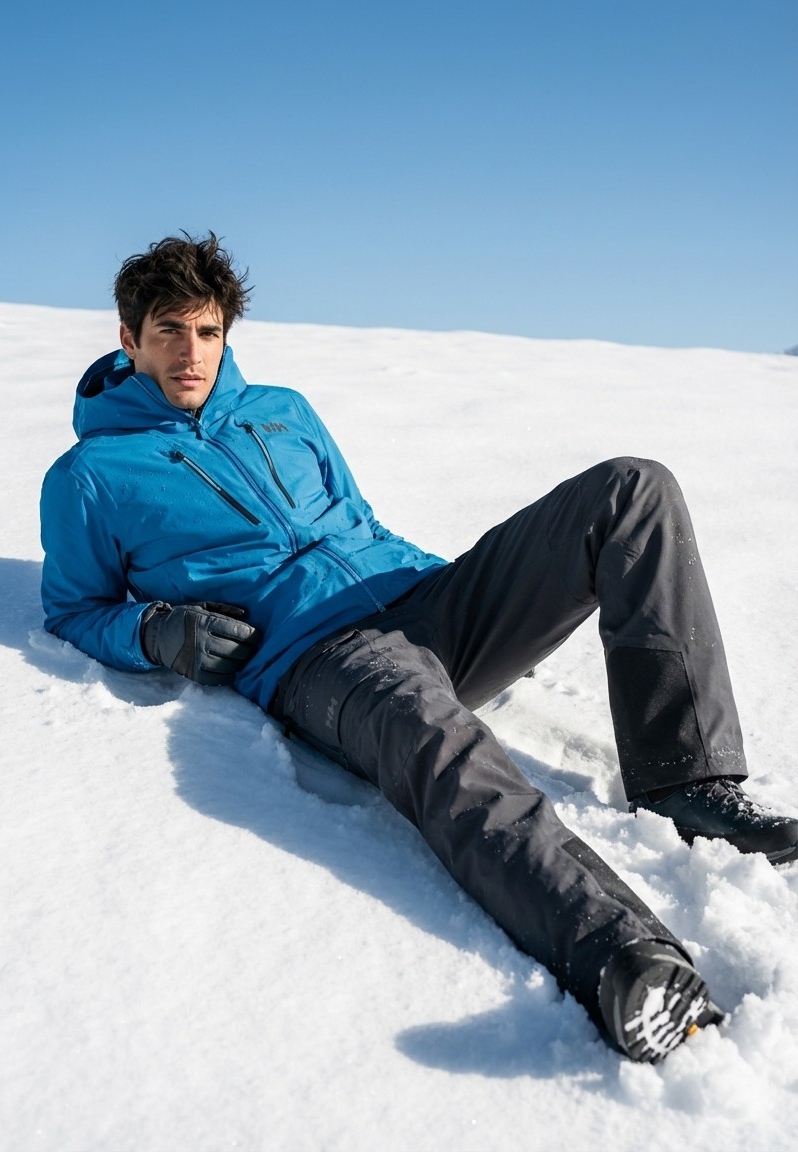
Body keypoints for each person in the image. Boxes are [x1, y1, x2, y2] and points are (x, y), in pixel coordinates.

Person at [40, 232, 797, 1065]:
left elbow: (359, 523)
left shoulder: (282, 411)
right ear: (128, 339)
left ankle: (691, 786)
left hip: (418, 600)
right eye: (170, 332)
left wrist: (482, 593)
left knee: (632, 489)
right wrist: (153, 632)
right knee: (436, 738)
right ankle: (624, 957)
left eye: (209, 332)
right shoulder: (90, 476)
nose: (193, 353)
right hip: (317, 657)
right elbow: (74, 609)